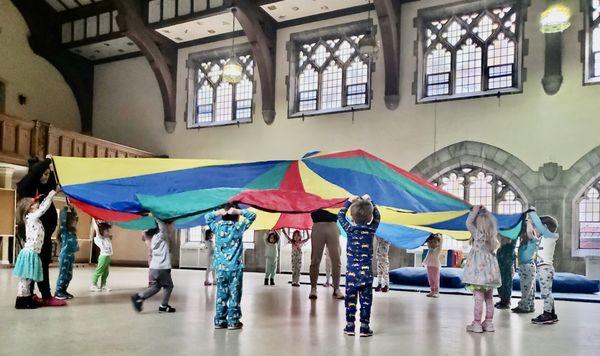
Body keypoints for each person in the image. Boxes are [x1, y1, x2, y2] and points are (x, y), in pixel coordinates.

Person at [16, 156, 65, 306]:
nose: (46, 176)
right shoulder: (27, 183)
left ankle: (34, 295)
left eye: (48, 174)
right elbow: (42, 206)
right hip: (33, 238)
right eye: (43, 173)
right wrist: (48, 160)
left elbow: (52, 185)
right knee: (34, 267)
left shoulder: (42, 185)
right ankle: (37, 296)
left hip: (43, 236)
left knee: (39, 265)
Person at [205, 204, 256, 330]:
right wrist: (238, 210)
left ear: (223, 216)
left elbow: (207, 217)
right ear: (237, 217)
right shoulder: (238, 227)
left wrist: (218, 212)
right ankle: (233, 321)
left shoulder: (217, 227)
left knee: (221, 294)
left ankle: (219, 321)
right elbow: (252, 216)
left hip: (221, 268)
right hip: (235, 268)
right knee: (235, 294)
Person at [338, 194, 380, 338]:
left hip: (351, 275)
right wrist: (370, 200)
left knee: (350, 301)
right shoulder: (371, 230)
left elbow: (340, 216)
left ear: (352, 216)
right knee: (366, 301)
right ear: (369, 218)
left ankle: (350, 326)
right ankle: (364, 327)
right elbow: (378, 217)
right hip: (366, 275)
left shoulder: (350, 229)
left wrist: (349, 201)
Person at [13, 189, 58, 309]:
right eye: (35, 204)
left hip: (33, 253)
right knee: (26, 278)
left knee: (29, 278)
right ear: (29, 209)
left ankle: (26, 298)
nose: (38, 205)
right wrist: (51, 195)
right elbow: (43, 208)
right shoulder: (31, 217)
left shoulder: (35, 219)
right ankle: (21, 300)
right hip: (30, 252)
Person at [463, 205, 501, 333]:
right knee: (489, 298)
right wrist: (487, 213)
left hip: (478, 275)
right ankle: (489, 323)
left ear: (478, 225)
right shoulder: (493, 239)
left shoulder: (477, 235)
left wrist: (474, 212)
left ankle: (477, 324)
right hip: (490, 275)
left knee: (478, 299)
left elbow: (468, 222)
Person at [131, 219, 176, 313]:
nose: (173, 228)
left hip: (154, 268)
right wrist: (157, 217)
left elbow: (165, 228)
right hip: (162, 268)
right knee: (169, 286)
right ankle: (163, 306)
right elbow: (163, 227)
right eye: (172, 225)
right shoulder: (161, 236)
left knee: (156, 287)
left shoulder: (155, 238)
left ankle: (139, 296)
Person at [309, 209, 344, 300]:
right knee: (315, 259)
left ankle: (336, 288)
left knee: (336, 259)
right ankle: (313, 288)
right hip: (318, 224)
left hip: (332, 224)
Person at [532, 215, 559, 325]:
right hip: (542, 268)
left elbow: (540, 228)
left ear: (544, 227)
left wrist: (533, 214)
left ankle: (547, 314)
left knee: (546, 293)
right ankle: (551, 314)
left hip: (545, 268)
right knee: (546, 292)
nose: (535, 229)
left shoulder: (551, 237)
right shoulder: (542, 238)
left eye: (537, 227)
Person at [512, 216, 538, 314]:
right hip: (525, 267)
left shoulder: (533, 240)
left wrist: (529, 222)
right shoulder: (524, 242)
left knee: (526, 288)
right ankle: (529, 305)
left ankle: (524, 306)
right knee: (529, 288)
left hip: (528, 266)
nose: (523, 235)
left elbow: (529, 232)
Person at [55, 205, 80, 300]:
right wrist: (65, 208)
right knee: (63, 274)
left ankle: (63, 290)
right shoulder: (64, 231)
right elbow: (62, 219)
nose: (76, 222)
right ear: (69, 221)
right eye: (74, 220)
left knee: (69, 275)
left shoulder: (73, 232)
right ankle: (58, 292)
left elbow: (76, 216)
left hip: (71, 256)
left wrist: (73, 209)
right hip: (65, 256)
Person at [495, 234, 517, 309]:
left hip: (506, 259)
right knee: (501, 281)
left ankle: (506, 301)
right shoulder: (502, 248)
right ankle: (503, 299)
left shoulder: (509, 247)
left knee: (506, 281)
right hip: (502, 257)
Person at [90, 219, 113, 292]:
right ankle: (93, 285)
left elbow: (111, 224)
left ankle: (103, 285)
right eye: (106, 231)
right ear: (102, 232)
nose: (108, 232)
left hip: (108, 257)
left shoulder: (107, 238)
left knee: (106, 272)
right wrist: (94, 220)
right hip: (103, 257)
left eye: (108, 231)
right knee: (99, 271)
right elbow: (97, 229)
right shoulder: (100, 238)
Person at [423, 233, 443, 298]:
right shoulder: (430, 249)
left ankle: (436, 291)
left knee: (436, 279)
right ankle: (432, 291)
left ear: (438, 243)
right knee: (430, 279)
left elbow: (441, 244)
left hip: (435, 266)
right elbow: (427, 242)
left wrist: (440, 236)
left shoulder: (437, 250)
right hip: (429, 266)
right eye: (431, 242)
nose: (433, 244)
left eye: (435, 242)